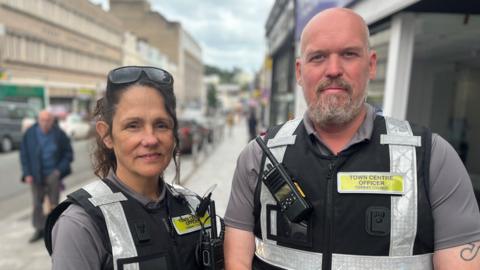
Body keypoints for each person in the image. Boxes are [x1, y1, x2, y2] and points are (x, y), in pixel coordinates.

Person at [223, 8, 480, 270]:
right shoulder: (258, 157)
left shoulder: (431, 158)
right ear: (299, 72)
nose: (333, 69)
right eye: (318, 57)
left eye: (348, 54)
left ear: (371, 65)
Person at [44, 66, 216, 270]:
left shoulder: (194, 205)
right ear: (106, 135)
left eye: (161, 125)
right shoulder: (80, 225)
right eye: (133, 125)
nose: (151, 139)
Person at [20, 109, 73, 243]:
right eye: (42, 120)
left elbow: (68, 154)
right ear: (38, 120)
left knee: (54, 203)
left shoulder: (59, 134)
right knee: (37, 202)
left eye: (48, 120)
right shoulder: (30, 133)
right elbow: (24, 155)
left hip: (53, 174)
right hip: (35, 173)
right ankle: (39, 229)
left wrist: (59, 170)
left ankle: (53, 228)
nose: (45, 123)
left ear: (52, 121)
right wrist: (27, 173)